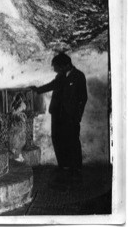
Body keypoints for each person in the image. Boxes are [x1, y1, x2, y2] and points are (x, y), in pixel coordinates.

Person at [29, 52, 88, 182]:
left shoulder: (79, 76)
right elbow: (52, 85)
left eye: (57, 66)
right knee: (57, 139)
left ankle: (76, 168)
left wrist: (78, 115)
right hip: (57, 114)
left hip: (71, 116)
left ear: (66, 65)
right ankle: (63, 166)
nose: (55, 69)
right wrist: (37, 90)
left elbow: (83, 98)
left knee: (72, 141)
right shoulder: (60, 76)